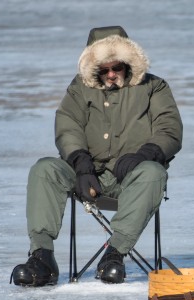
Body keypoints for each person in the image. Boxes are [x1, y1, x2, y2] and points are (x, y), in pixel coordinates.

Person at [11, 26, 183, 286]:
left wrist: (145, 154)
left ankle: (114, 255)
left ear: (128, 63)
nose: (111, 75)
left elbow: (169, 129)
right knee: (44, 169)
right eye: (104, 69)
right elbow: (67, 125)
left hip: (133, 179)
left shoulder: (153, 87)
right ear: (94, 68)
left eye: (117, 68)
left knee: (153, 172)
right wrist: (80, 163)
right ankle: (42, 257)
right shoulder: (79, 89)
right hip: (88, 177)